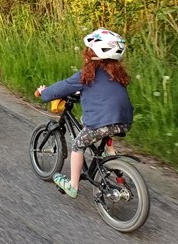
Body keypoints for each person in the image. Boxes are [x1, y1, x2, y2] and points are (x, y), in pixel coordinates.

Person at [35, 28, 133, 199]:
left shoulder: (87, 75)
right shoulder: (117, 74)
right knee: (105, 133)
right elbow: (105, 95)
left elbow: (62, 87)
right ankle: (116, 169)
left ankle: (73, 186)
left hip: (102, 122)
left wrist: (44, 93)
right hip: (124, 120)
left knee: (78, 145)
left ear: (92, 54)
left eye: (88, 51)